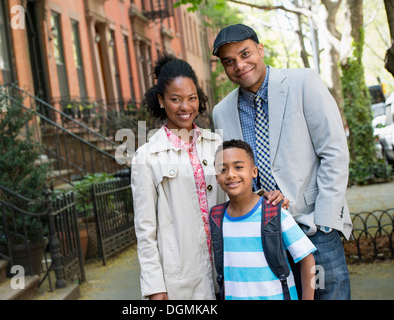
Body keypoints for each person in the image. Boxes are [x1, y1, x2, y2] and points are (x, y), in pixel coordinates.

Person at [211, 24, 352, 300]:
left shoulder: (303, 82)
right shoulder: (222, 112)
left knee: (329, 294)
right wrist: (263, 198)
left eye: (245, 54)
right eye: (229, 62)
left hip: (314, 224)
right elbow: (240, 172)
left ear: (260, 49)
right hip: (264, 230)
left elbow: (334, 151)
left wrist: (325, 221)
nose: (239, 65)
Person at [131, 54, 287, 300]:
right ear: (161, 101)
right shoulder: (147, 156)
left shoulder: (216, 143)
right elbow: (145, 231)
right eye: (175, 99)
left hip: (230, 268)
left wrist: (263, 197)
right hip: (182, 280)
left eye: (192, 98)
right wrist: (154, 289)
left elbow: (236, 192)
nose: (185, 107)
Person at [211, 139, 316, 300]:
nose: (231, 174)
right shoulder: (217, 218)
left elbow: (307, 259)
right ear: (217, 177)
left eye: (238, 167)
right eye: (223, 169)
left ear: (254, 171)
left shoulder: (274, 213)